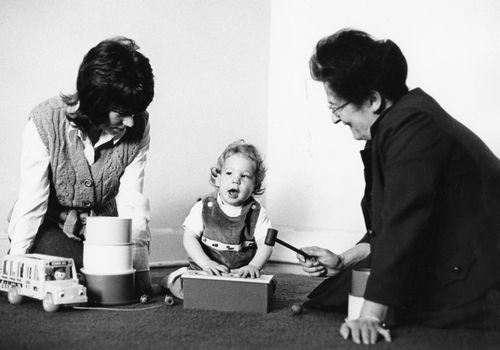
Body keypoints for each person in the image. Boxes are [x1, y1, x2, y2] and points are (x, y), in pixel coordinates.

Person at [296, 28, 500, 345]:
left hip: (484, 271)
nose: (335, 119)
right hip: (464, 255)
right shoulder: (404, 118)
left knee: (372, 300)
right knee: (336, 291)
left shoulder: (414, 126)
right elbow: (388, 223)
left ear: (373, 99)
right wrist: (342, 260)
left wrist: (370, 316)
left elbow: (405, 222)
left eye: (336, 106)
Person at [7, 37, 156, 294]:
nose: (131, 123)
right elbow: (33, 201)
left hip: (104, 234)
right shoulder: (44, 122)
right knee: (75, 271)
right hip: (52, 227)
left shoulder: (138, 126)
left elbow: (133, 202)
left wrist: (140, 272)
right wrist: (14, 269)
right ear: (95, 100)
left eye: (135, 112)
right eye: (121, 113)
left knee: (110, 274)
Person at [163, 140, 274, 299]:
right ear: (217, 179)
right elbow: (190, 237)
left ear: (255, 186)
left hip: (240, 274)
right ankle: (169, 280)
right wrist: (206, 263)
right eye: (229, 173)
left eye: (245, 176)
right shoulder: (204, 206)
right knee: (186, 289)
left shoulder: (258, 213)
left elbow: (266, 244)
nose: (236, 180)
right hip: (205, 270)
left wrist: (253, 266)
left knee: (263, 293)